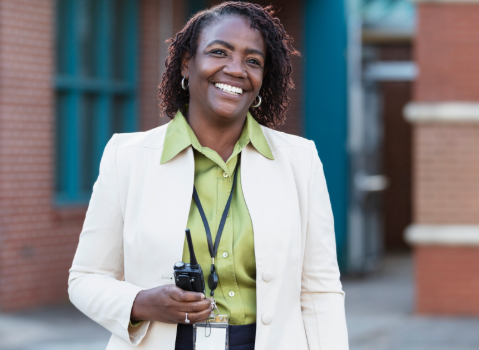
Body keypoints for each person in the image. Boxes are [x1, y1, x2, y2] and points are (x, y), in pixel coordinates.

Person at [68, 2, 348, 350]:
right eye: (219, 52)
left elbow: (320, 290)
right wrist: (141, 302)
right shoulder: (127, 157)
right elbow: (85, 278)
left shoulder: (300, 161)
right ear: (188, 62)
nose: (236, 69)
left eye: (253, 61)